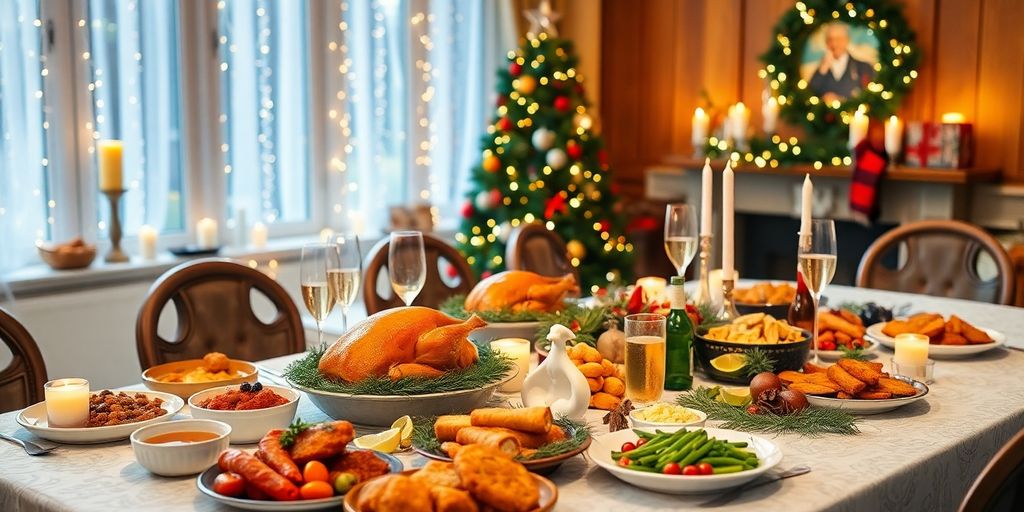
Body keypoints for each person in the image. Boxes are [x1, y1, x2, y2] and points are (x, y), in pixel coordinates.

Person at [808, 23, 875, 103]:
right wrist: (823, 69)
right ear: (826, 43)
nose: (834, 43)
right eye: (830, 39)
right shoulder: (821, 70)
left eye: (839, 39)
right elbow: (810, 93)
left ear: (847, 40)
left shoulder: (864, 67)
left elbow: (869, 97)